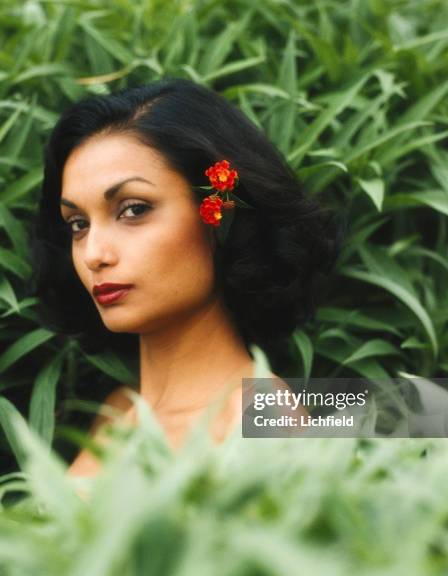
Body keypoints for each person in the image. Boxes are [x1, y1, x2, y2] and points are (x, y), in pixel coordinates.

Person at [29, 78, 342, 477]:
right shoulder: (118, 409)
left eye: (134, 209)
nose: (94, 255)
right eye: (78, 224)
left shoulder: (260, 419)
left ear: (219, 214)